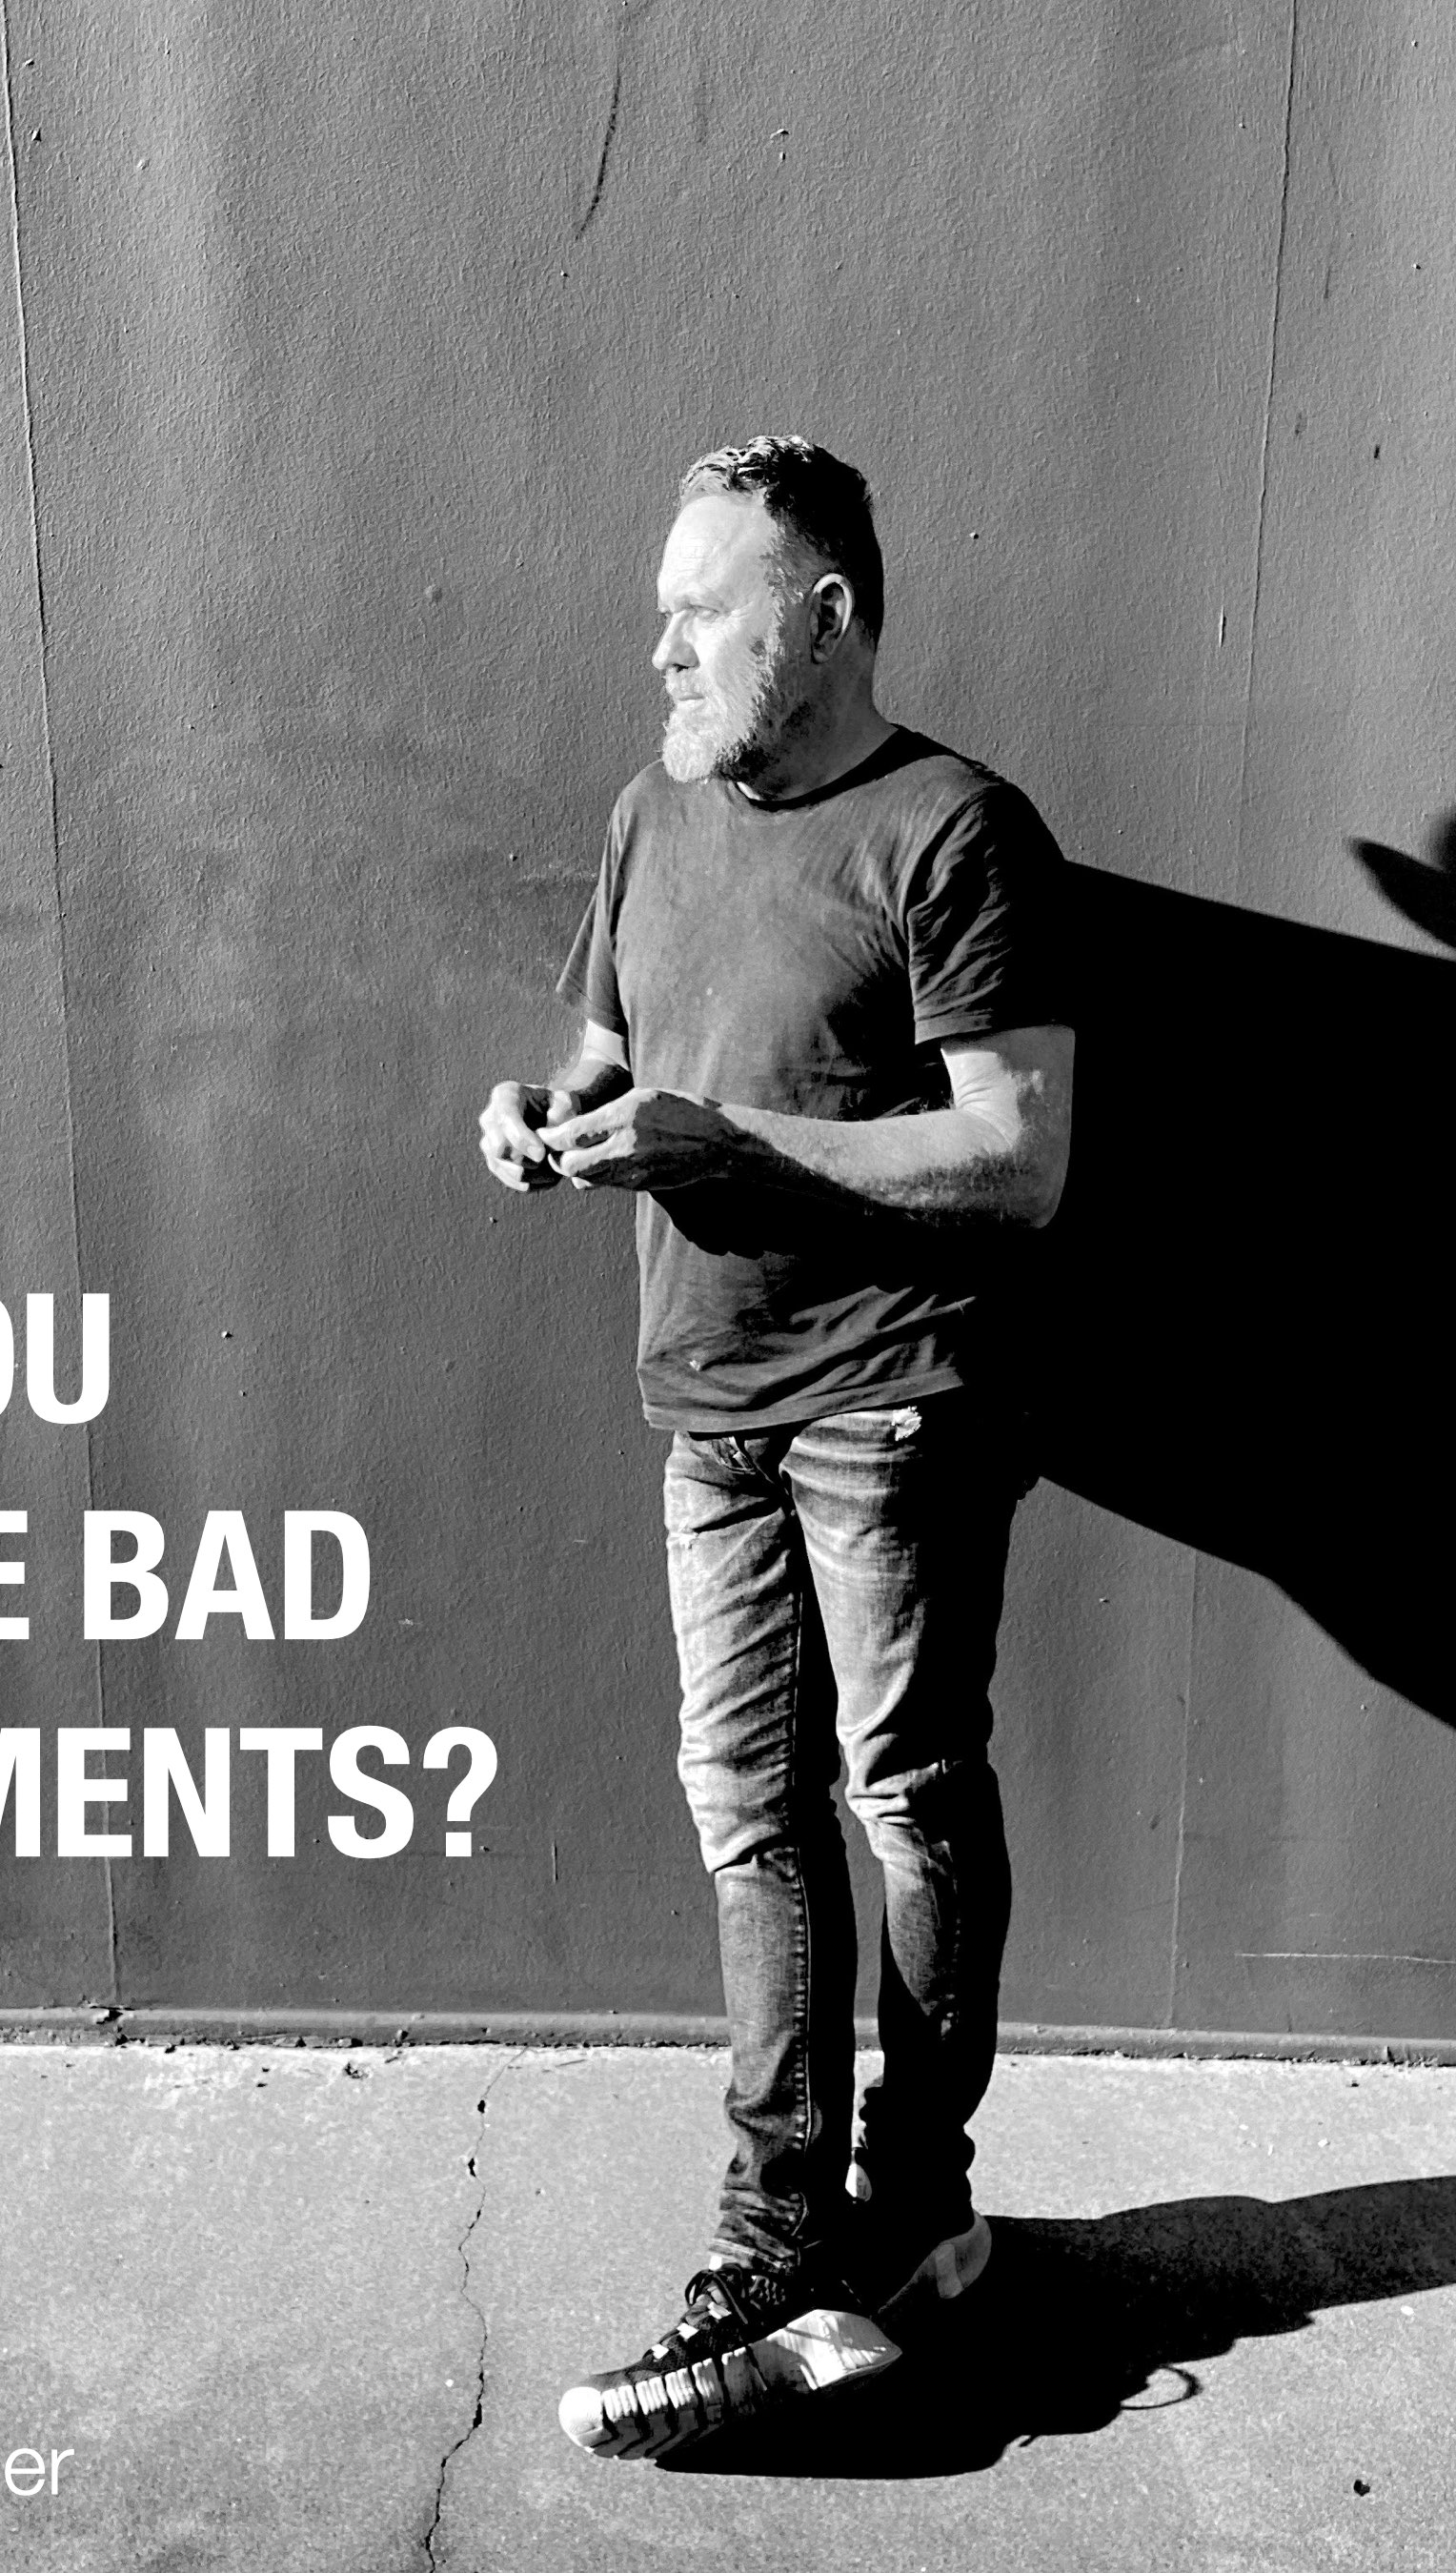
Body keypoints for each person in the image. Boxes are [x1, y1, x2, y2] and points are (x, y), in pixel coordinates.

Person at [477, 437, 1074, 2462]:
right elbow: (609, 1058)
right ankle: (781, 2234)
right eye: (660, 612)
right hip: (706, 1402)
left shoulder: (954, 829)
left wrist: (729, 1144)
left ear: (822, 617)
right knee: (748, 1817)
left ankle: (912, 2208)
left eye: (701, 609)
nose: (662, 648)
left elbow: (1018, 1158)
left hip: (889, 1404)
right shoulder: (649, 815)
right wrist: (543, 1119)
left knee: (902, 1791)